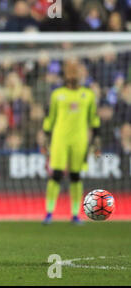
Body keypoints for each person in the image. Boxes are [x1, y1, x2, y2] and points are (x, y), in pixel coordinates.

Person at [41, 59, 101, 225]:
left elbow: (94, 118)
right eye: (70, 71)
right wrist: (45, 137)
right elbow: (50, 118)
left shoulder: (88, 95)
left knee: (76, 176)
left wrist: (97, 139)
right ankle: (48, 213)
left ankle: (75, 214)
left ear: (82, 74)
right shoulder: (57, 94)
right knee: (56, 175)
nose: (73, 75)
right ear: (66, 74)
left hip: (80, 140)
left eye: (77, 71)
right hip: (59, 139)